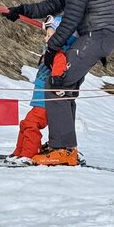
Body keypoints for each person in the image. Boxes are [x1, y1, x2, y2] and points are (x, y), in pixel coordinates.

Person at [3, 0, 114, 166]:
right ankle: (66, 147)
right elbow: (54, 4)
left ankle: (63, 149)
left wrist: (52, 47)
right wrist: (22, 10)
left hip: (98, 34)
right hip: (92, 35)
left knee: (57, 81)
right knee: (63, 84)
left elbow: (73, 16)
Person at [12, 16, 77, 160]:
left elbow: (58, 71)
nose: (45, 38)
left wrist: (57, 83)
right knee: (25, 124)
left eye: (49, 35)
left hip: (45, 103)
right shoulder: (51, 53)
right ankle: (19, 152)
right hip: (39, 102)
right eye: (46, 35)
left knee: (31, 125)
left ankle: (29, 154)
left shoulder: (58, 55)